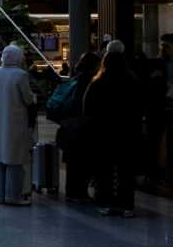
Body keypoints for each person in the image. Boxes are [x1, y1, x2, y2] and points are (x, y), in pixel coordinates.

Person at [83, 44, 142, 217]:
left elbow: (87, 108)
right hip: (126, 132)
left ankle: (106, 202)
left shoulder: (98, 83)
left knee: (104, 169)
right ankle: (126, 205)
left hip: (103, 132)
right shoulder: (132, 82)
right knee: (126, 170)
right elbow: (139, 107)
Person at [0, 45, 35, 206]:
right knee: (15, 160)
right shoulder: (20, 75)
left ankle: (0, 195)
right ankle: (14, 196)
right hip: (15, 123)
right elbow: (28, 99)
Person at [54, 51, 100, 201]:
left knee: (72, 162)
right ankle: (80, 193)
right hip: (82, 128)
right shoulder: (90, 83)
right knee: (83, 161)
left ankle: (71, 191)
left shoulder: (73, 80)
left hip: (68, 126)